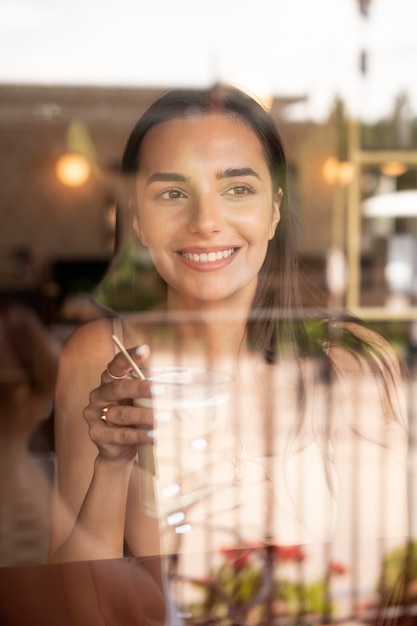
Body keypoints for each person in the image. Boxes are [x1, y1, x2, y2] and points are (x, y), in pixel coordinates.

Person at [48, 85, 408, 619]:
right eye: (172, 193)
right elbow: (69, 609)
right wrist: (113, 467)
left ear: (275, 210)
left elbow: (394, 585)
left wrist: (279, 536)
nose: (206, 222)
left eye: (237, 189)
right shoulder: (101, 356)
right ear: (138, 219)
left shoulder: (350, 362)